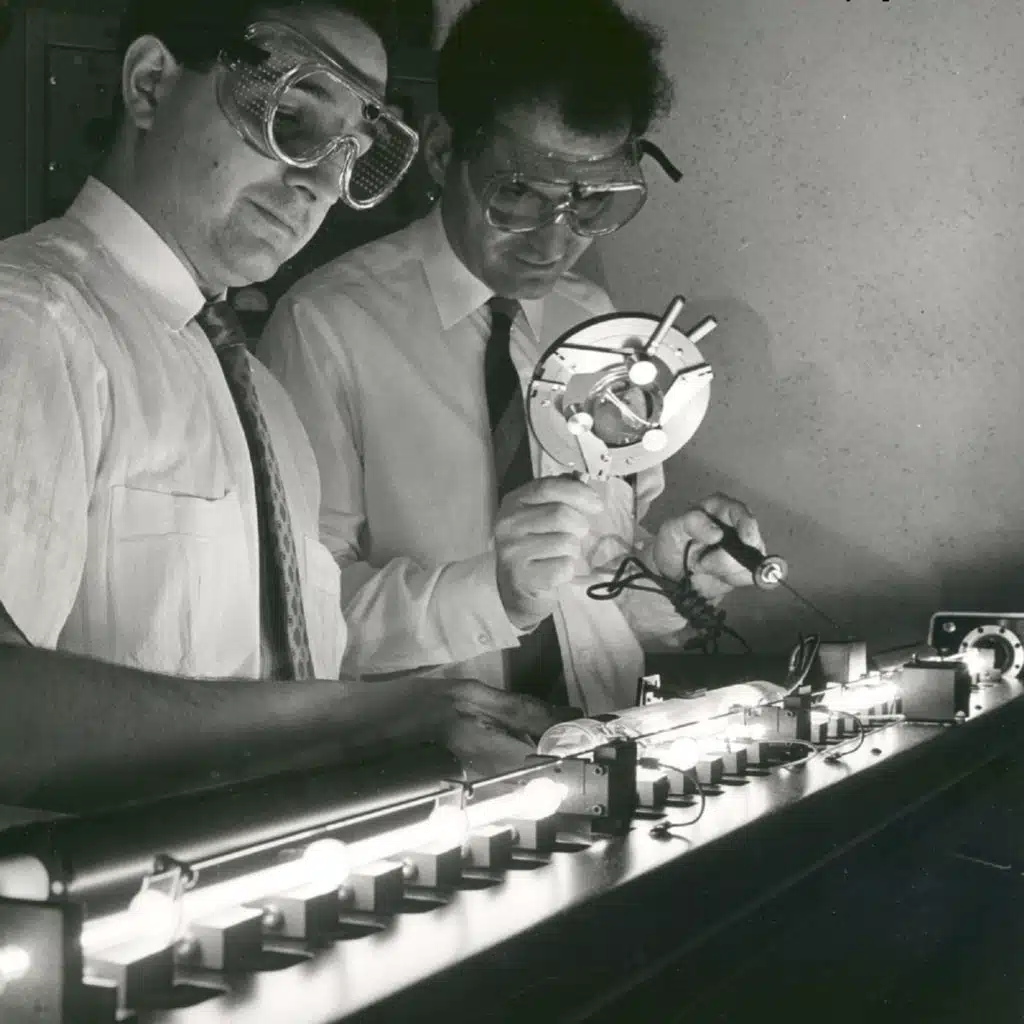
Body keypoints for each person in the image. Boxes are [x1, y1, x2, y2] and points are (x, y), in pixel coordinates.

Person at [0, 0, 547, 808]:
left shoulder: (261, 399)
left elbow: (305, 658)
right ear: (151, 85)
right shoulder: (30, 321)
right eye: (291, 117)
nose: (320, 183)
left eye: (355, 153)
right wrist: (356, 725)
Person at [255, 0, 768, 717]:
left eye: (593, 202)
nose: (554, 243)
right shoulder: (326, 326)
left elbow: (597, 587)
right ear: (442, 152)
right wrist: (493, 595)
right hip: (430, 761)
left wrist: (670, 576)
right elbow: (296, 619)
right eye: (518, 194)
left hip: (602, 739)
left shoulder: (593, 319)